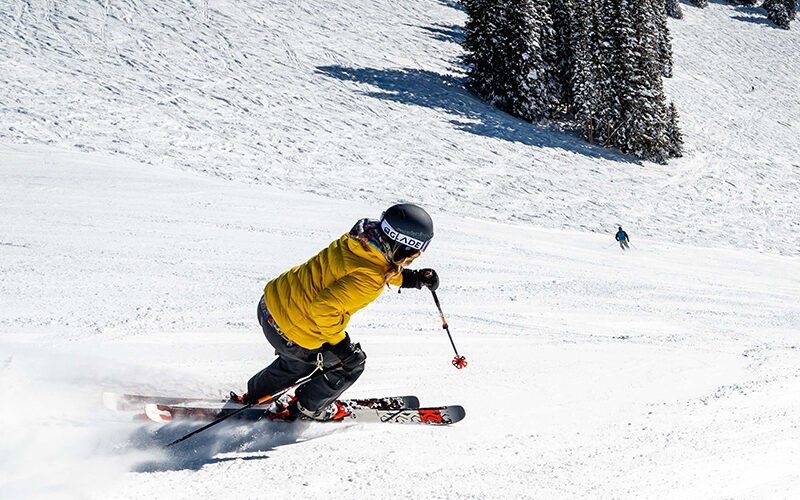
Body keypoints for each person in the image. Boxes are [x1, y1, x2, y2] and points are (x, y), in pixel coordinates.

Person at [232, 203, 439, 421]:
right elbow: (324, 308)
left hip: (271, 307)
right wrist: (343, 349)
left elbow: (369, 266)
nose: (417, 255)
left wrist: (412, 279)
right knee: (349, 365)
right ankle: (309, 408)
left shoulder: (360, 238)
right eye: (419, 249)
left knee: (297, 362)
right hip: (293, 329)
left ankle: (257, 397)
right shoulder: (371, 278)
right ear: (404, 246)